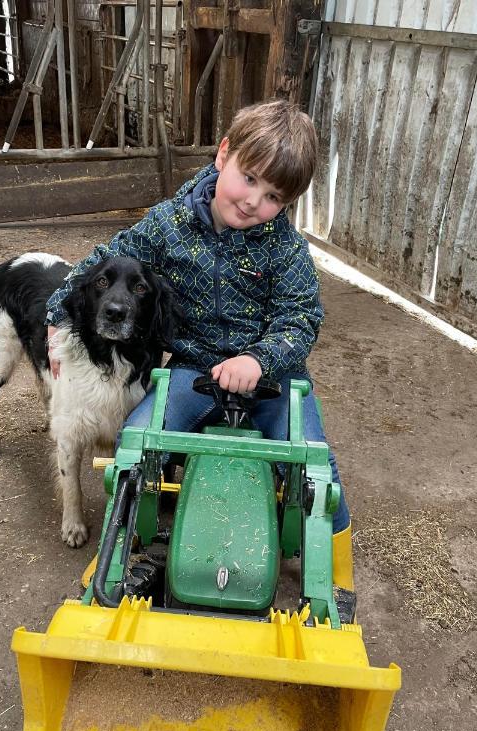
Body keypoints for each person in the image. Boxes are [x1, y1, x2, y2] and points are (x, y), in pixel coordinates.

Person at [45, 99, 354, 592]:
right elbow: (104, 260)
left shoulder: (285, 248)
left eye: (274, 196)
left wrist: (260, 358)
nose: (255, 202)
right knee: (137, 441)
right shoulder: (167, 224)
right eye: (249, 178)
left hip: (274, 378)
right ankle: (121, 550)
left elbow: (301, 319)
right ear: (223, 154)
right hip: (195, 370)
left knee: (316, 461)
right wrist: (56, 316)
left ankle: (336, 576)